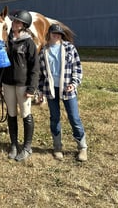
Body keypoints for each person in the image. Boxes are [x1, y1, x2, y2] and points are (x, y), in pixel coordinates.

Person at [38, 24, 88, 161]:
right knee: (55, 118)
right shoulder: (43, 51)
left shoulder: (69, 48)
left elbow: (77, 67)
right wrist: (40, 91)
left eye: (59, 34)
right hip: (50, 89)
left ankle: (82, 147)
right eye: (54, 33)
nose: (57, 35)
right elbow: (40, 75)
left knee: (74, 118)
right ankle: (57, 146)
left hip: (67, 88)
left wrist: (74, 83)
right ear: (49, 34)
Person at [0, 10, 39, 161]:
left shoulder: (29, 43)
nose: (14, 23)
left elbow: (35, 67)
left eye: (18, 22)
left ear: (24, 25)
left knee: (26, 114)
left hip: (23, 85)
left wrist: (32, 87)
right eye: (14, 21)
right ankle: (14, 144)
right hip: (8, 83)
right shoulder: (5, 41)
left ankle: (27, 147)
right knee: (11, 113)